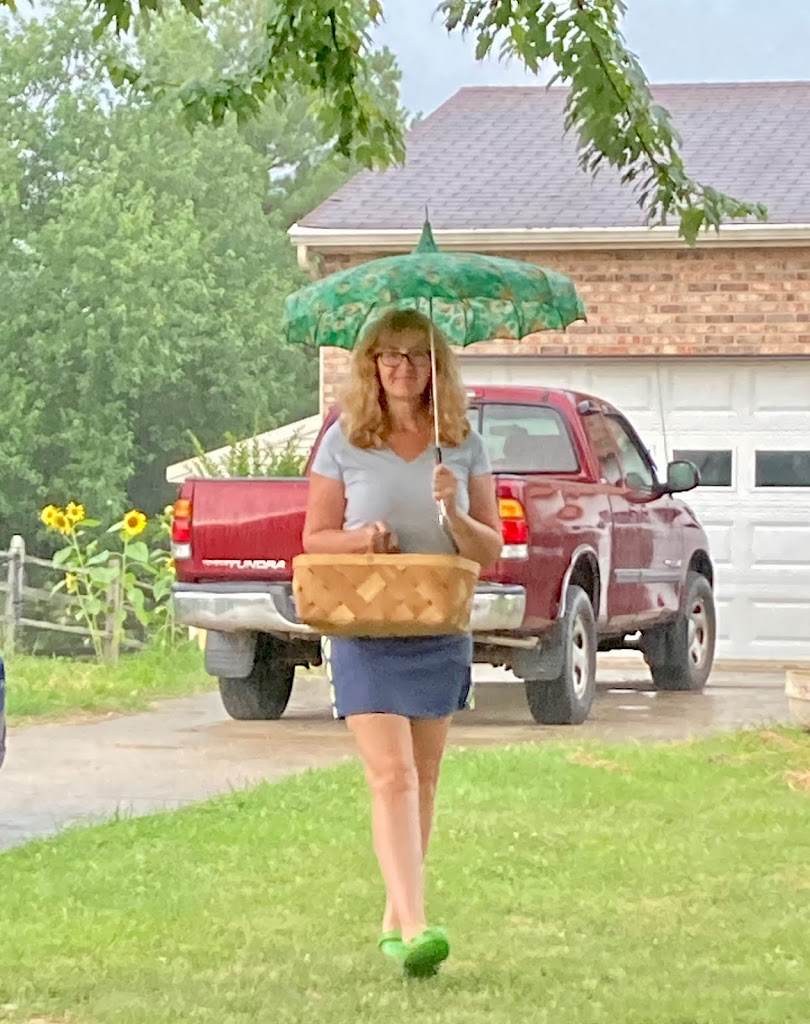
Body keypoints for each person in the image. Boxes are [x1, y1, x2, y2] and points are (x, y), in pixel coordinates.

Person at [302, 308, 503, 977]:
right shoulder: (345, 439)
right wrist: (365, 538)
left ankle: (396, 916)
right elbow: (316, 538)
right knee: (390, 775)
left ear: (436, 365)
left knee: (424, 776)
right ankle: (416, 927)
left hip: (437, 624)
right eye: (388, 355)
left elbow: (491, 551)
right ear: (371, 364)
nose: (402, 368)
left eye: (416, 356)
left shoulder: (463, 441)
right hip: (365, 625)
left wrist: (454, 511)